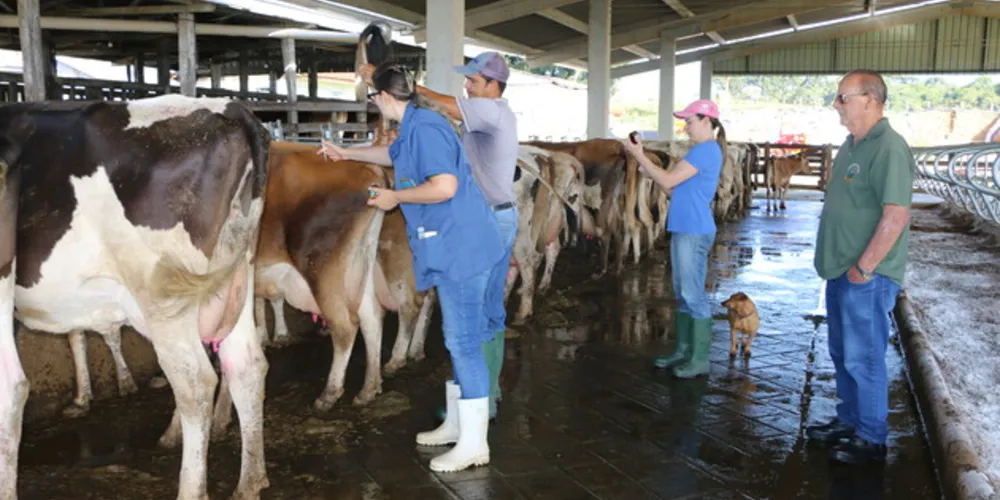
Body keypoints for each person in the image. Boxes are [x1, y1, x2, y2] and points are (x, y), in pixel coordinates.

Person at [318, 63, 504, 473]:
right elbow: (393, 154)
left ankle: (475, 444)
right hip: (454, 244)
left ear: (385, 96)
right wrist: (347, 153)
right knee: (458, 339)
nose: (373, 103)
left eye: (372, 96)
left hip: (461, 248)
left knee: (464, 342)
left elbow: (444, 187)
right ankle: (457, 425)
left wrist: (395, 198)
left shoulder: (427, 129)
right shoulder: (416, 123)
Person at [360, 51, 519, 420]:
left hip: (488, 219)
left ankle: (479, 404)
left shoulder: (491, 111)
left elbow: (445, 106)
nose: (467, 86)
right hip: (487, 216)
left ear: (493, 85)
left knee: (475, 322)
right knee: (480, 317)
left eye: (473, 81)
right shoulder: (477, 119)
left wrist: (399, 86)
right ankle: (481, 397)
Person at [807, 69, 915, 465]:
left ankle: (871, 437)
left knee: (864, 356)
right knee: (841, 352)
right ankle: (849, 420)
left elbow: (896, 215)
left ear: (870, 99)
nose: (836, 105)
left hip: (867, 276)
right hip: (841, 269)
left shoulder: (889, 147)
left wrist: (865, 269)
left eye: (843, 97)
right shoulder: (852, 145)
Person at [622, 99, 727, 379]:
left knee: (693, 294)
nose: (686, 127)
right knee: (683, 294)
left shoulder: (705, 150)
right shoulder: (701, 151)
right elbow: (674, 190)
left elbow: (669, 181)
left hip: (693, 229)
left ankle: (699, 360)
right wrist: (651, 173)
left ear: (706, 121)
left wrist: (639, 154)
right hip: (685, 227)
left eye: (689, 121)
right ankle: (684, 351)